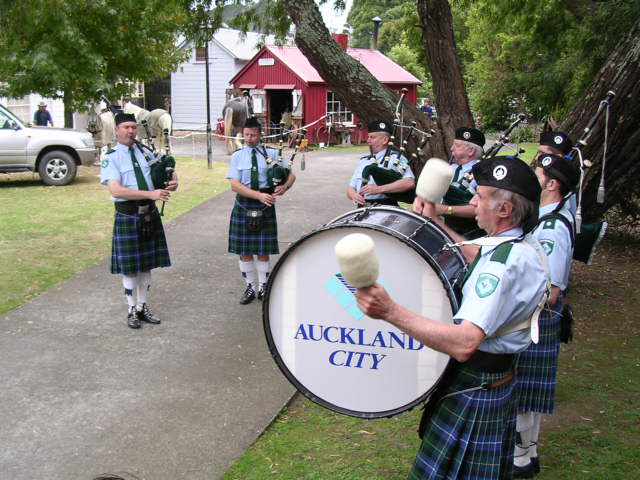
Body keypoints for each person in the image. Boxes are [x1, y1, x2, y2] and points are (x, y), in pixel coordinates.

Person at [357, 156, 548, 479]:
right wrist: (437, 221)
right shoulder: (520, 244)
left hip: (476, 385)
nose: (472, 200)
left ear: (503, 210)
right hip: (494, 381)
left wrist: (389, 311)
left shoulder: (502, 267)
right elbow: (478, 254)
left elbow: (464, 343)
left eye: (481, 195)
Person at [513, 153, 579, 478]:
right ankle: (529, 453)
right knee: (527, 396)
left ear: (551, 184)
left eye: (536, 174)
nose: (531, 178)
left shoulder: (552, 229)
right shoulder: (541, 218)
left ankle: (520, 461)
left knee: (523, 396)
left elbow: (550, 291)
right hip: (535, 317)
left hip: (537, 317)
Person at [100, 113, 178, 329]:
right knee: (131, 268)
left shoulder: (145, 151)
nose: (131, 131)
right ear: (117, 130)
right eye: (126, 127)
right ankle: (131, 309)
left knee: (146, 266)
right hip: (128, 215)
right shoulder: (112, 156)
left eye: (133, 127)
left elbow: (163, 170)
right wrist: (150, 194)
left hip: (149, 214)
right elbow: (115, 189)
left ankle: (143, 307)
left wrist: (173, 180)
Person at [227, 116, 296, 305]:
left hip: (266, 205)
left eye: (253, 135)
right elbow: (234, 185)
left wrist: (284, 187)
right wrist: (257, 196)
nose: (249, 138)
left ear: (260, 135)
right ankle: (250, 286)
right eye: (246, 135)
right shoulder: (237, 156)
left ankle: (263, 287)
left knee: (262, 250)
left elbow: (291, 175)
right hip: (245, 203)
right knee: (245, 250)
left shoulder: (273, 154)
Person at [415, 127, 485, 238]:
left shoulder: (483, 173)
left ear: (471, 151)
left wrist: (445, 210)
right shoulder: (451, 169)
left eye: (457, 145)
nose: (451, 148)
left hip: (469, 233)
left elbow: (483, 208)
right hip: (441, 227)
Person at [347, 120, 415, 207]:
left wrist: (379, 189)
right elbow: (350, 188)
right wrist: (353, 195)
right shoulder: (363, 161)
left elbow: (409, 182)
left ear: (385, 140)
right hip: (362, 208)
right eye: (368, 137)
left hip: (386, 207)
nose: (368, 141)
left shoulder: (396, 158)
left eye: (372, 137)